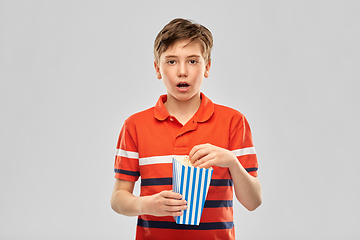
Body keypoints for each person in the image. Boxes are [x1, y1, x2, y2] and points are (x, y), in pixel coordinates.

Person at [111, 18, 262, 240]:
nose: (182, 71)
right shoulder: (134, 126)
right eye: (171, 62)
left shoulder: (233, 122)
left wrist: (231, 161)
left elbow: (253, 201)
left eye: (192, 61)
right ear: (157, 68)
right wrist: (148, 204)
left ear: (207, 66)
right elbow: (118, 199)